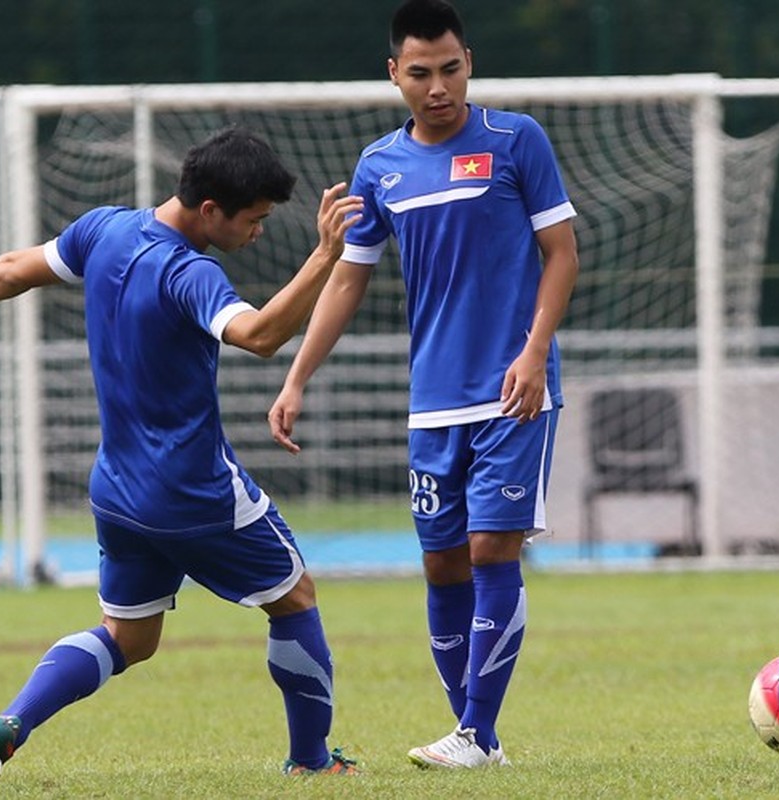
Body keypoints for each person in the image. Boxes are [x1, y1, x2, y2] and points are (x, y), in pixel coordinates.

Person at [0, 127, 364, 778]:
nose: (257, 232)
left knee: (129, 639)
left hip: (118, 491)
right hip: (193, 491)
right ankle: (312, 763)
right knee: (295, 599)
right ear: (210, 212)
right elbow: (258, 336)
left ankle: (13, 722)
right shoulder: (190, 271)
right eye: (254, 220)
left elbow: (11, 270)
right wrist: (324, 256)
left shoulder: (103, 229)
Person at [267, 0, 579, 770]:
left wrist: (535, 352)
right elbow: (347, 281)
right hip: (435, 399)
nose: (437, 86)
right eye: (420, 72)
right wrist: (297, 376)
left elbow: (562, 253)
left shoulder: (516, 141)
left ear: (468, 62)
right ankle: (478, 735)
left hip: (513, 387)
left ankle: (472, 734)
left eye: (450, 68)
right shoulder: (380, 168)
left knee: (489, 549)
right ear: (393, 74)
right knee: (441, 562)